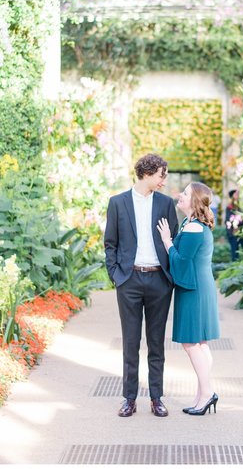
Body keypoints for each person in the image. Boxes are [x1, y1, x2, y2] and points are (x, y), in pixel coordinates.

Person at [103, 153, 179, 418]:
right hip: (129, 280)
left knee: (156, 343)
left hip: (159, 280)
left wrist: (169, 276)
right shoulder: (117, 203)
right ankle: (129, 398)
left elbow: (174, 241)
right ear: (147, 173)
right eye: (162, 175)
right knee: (130, 342)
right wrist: (116, 275)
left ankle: (157, 398)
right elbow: (109, 243)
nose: (163, 181)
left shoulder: (167, 204)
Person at [156, 182, 221, 416]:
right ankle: (203, 393)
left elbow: (182, 260)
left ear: (194, 202)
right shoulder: (191, 223)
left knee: (191, 342)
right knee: (200, 343)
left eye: (185, 194)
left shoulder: (193, 227)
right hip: (198, 285)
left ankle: (207, 393)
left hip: (194, 288)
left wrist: (166, 240)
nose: (179, 196)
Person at [224, 189, 243, 261]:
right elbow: (228, 219)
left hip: (241, 231)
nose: (237, 196)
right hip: (233, 232)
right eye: (236, 195)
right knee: (234, 251)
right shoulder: (229, 207)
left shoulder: (239, 207)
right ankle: (234, 265)